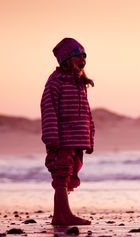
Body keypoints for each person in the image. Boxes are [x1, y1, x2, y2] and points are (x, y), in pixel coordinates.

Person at [41, 38, 95, 225]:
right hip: (62, 139)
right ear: (66, 59)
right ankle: (63, 215)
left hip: (78, 139)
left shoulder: (80, 83)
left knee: (71, 174)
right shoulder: (56, 82)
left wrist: (90, 137)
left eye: (84, 55)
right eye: (78, 55)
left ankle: (61, 214)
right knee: (61, 174)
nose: (83, 59)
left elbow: (87, 113)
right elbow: (48, 109)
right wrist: (51, 138)